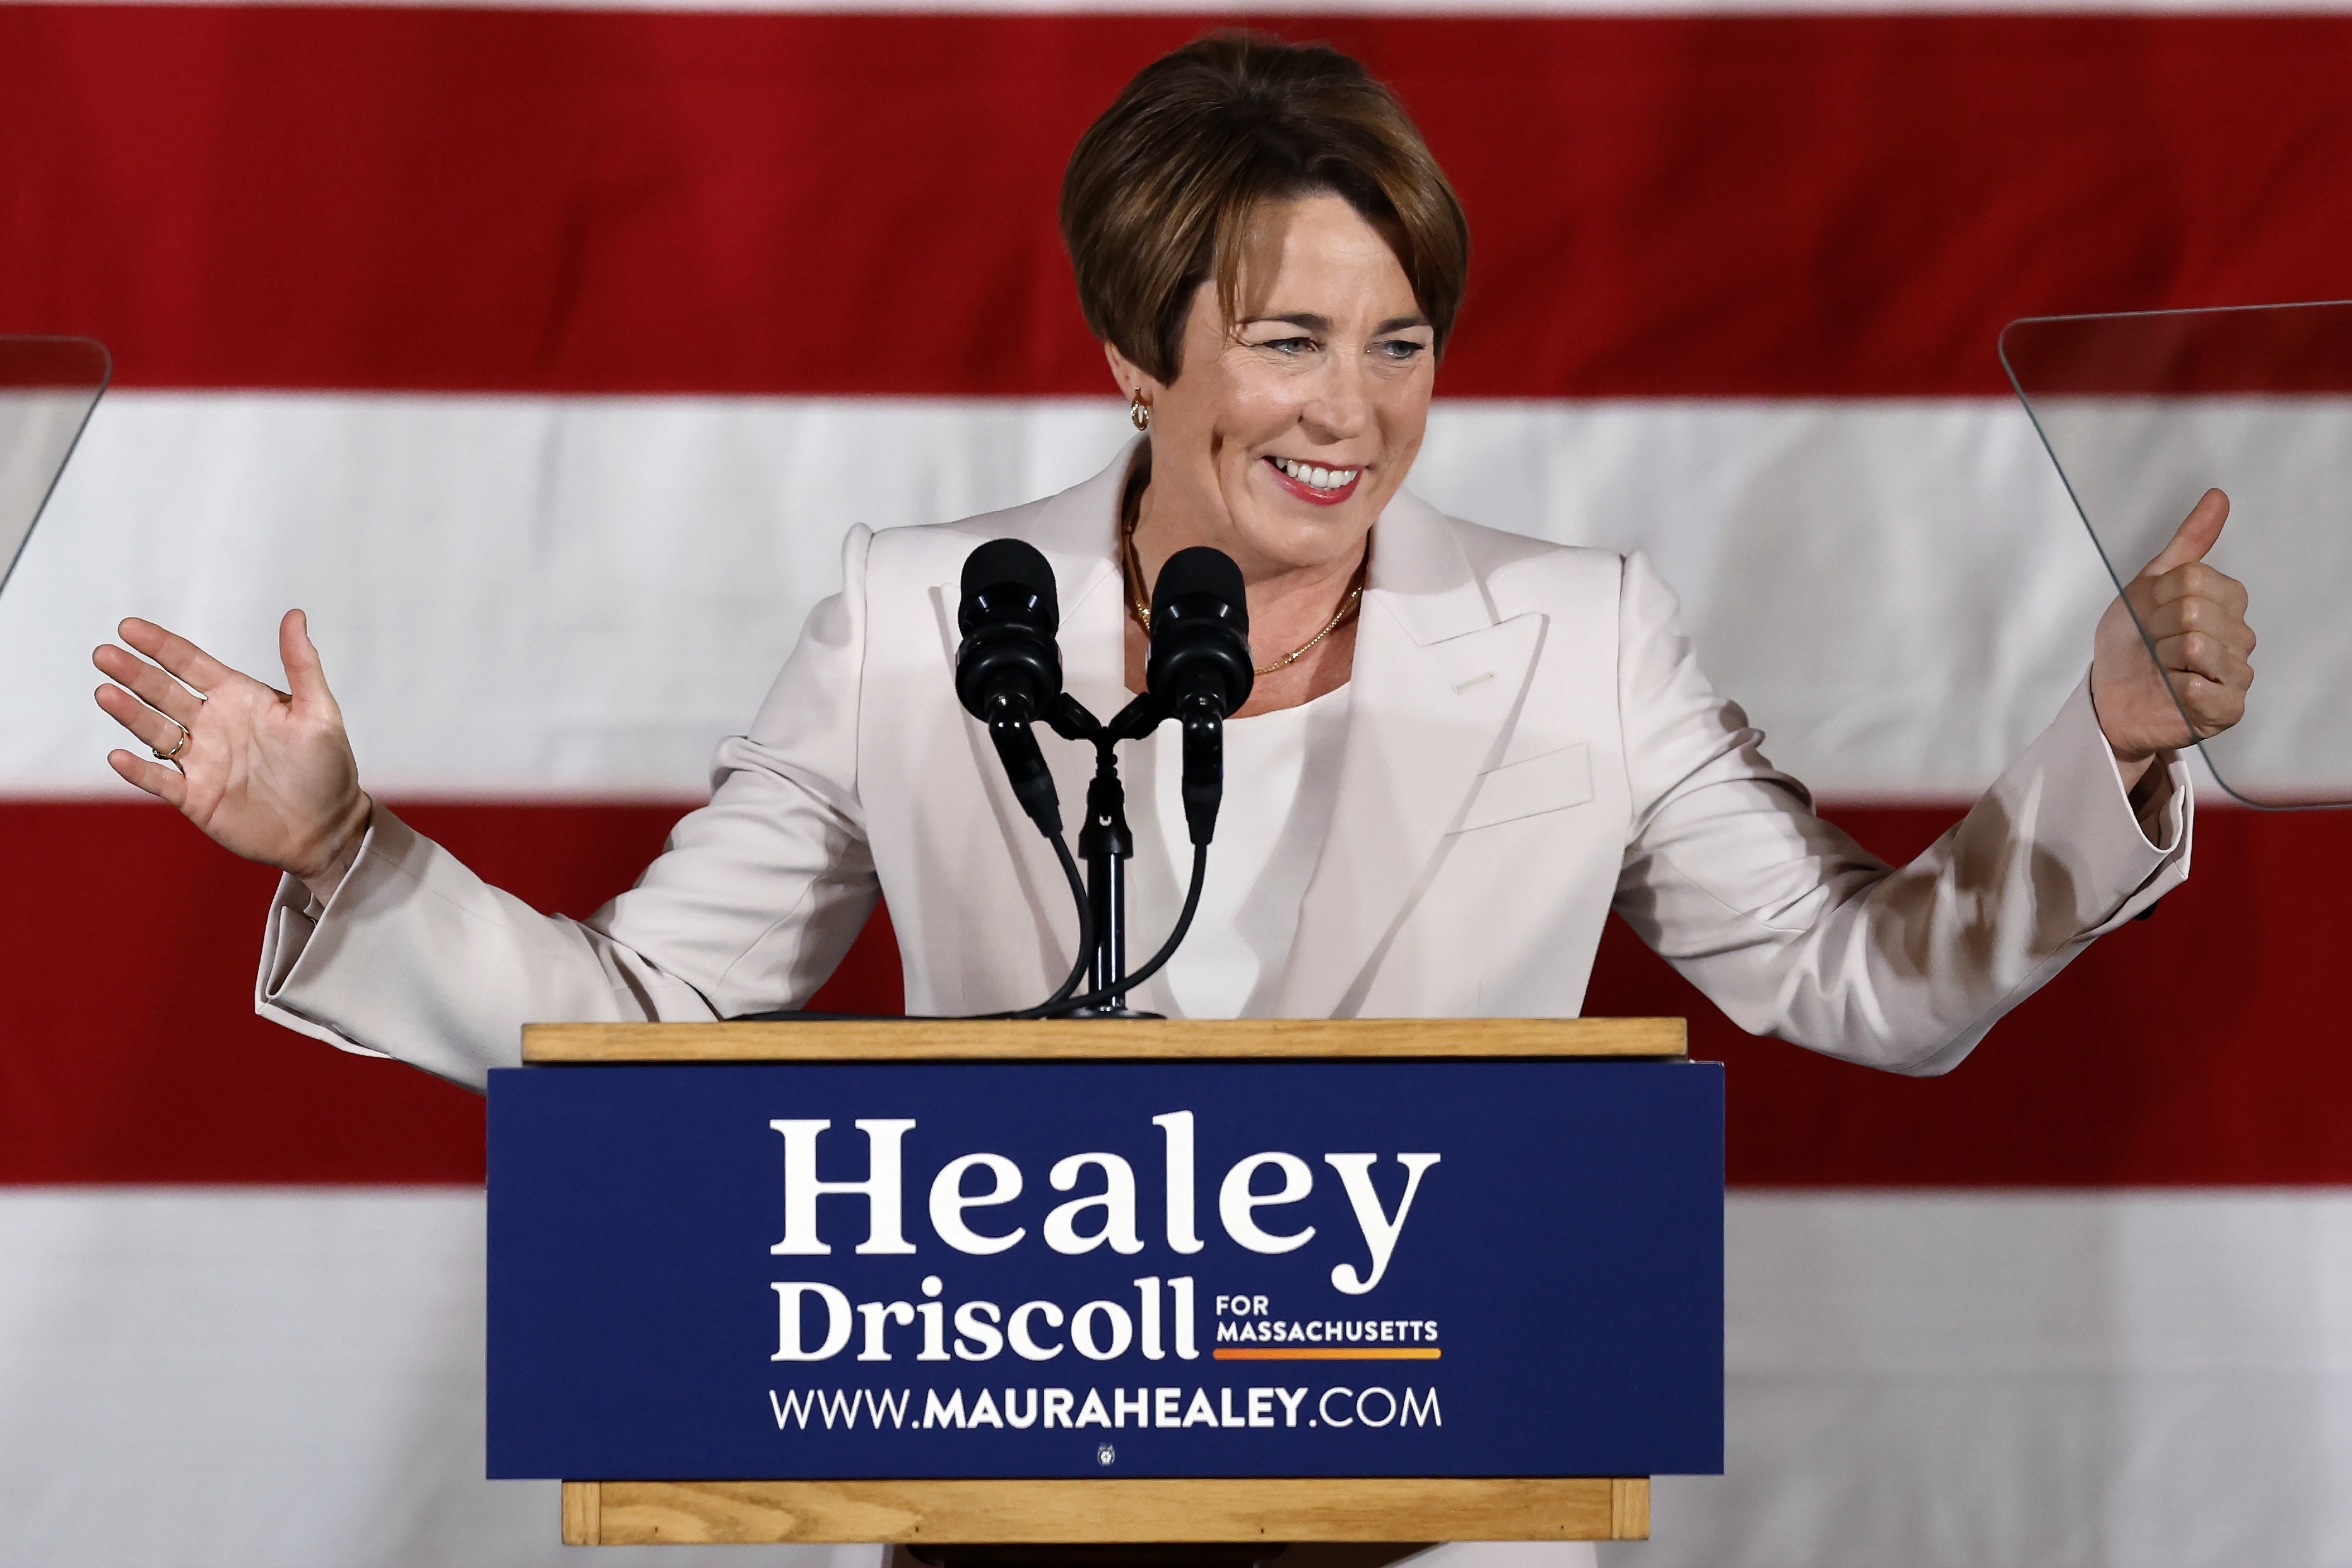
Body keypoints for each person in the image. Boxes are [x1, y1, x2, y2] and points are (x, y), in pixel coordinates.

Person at [91, 35, 2252, 1568]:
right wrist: (345, 849)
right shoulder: (923, 621)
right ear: (1137, 353)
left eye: (1402, 343)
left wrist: (2112, 747)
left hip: (1441, 1530)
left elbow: (1868, 983)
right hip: (1012, 1531)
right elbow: (649, 1021)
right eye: (1291, 342)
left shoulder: (1581, 636)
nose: (1355, 413)